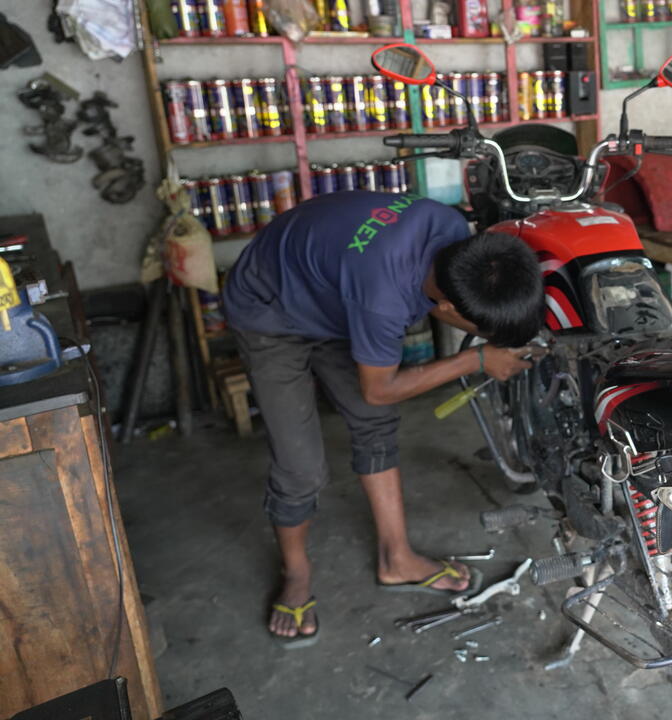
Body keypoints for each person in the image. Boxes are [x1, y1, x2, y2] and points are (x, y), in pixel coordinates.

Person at [221, 190, 543, 646]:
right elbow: (378, 388)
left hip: (330, 291)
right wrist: (476, 361)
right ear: (448, 310)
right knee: (301, 468)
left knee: (375, 422)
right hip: (270, 309)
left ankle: (398, 559)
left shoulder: (454, 234)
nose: (483, 340)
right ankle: (295, 572)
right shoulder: (382, 296)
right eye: (482, 332)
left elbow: (375, 394)